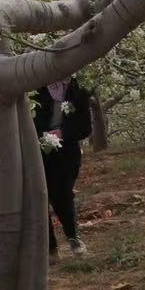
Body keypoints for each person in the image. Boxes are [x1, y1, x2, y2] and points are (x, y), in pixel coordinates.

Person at [31, 74, 93, 259]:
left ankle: (73, 237)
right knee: (41, 196)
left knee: (63, 194)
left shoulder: (78, 91)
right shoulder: (36, 88)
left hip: (67, 151)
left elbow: (85, 127)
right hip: (39, 150)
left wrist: (63, 132)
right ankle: (50, 247)